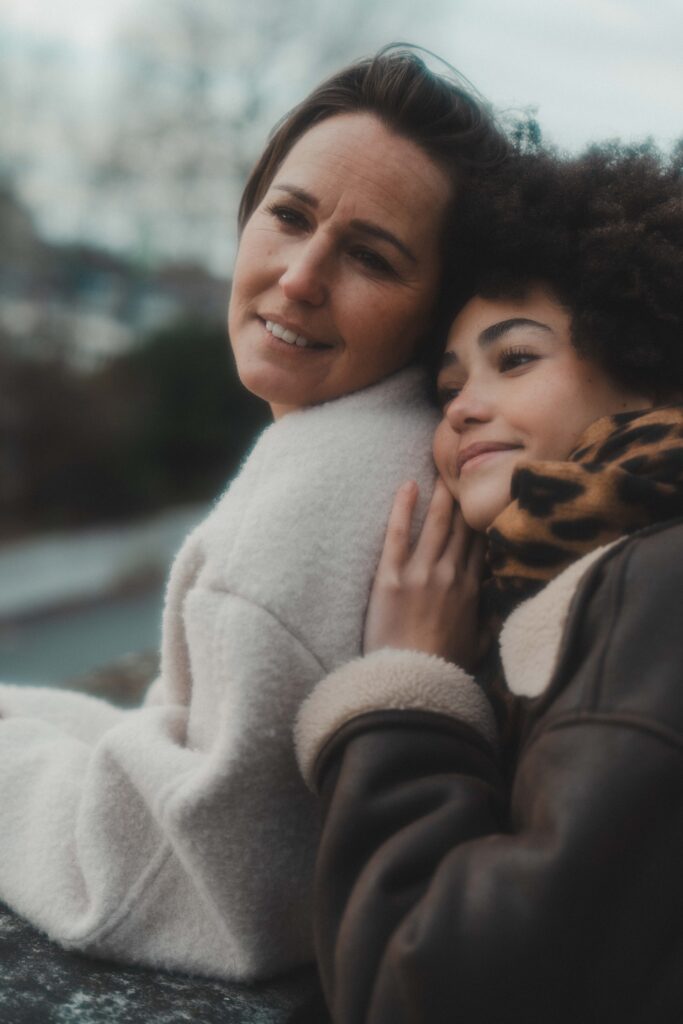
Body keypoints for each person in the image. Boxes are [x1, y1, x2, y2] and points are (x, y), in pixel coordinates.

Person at [0, 48, 508, 982]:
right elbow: (186, 735)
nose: (301, 276)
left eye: (370, 257)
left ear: (437, 311)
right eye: (290, 215)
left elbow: (167, 882)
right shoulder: (409, 442)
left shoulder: (304, 523)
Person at [295, 141, 683, 1022]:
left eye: (514, 360)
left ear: (647, 375)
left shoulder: (654, 584)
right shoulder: (567, 589)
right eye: (446, 389)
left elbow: (427, 992)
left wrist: (405, 689)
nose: (463, 406)